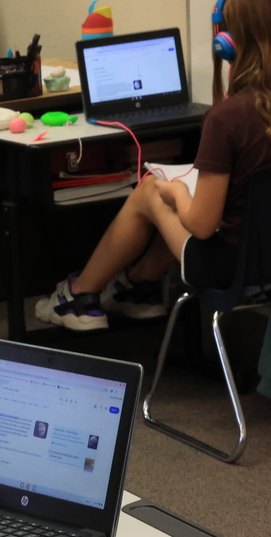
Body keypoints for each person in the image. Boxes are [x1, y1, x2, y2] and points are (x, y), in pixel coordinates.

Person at [35, 0, 271, 332]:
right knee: (176, 202)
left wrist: (175, 193)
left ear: (229, 43)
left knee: (151, 190)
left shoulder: (227, 119)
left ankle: (79, 294)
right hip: (263, 261)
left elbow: (202, 226)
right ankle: (136, 287)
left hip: (229, 269)